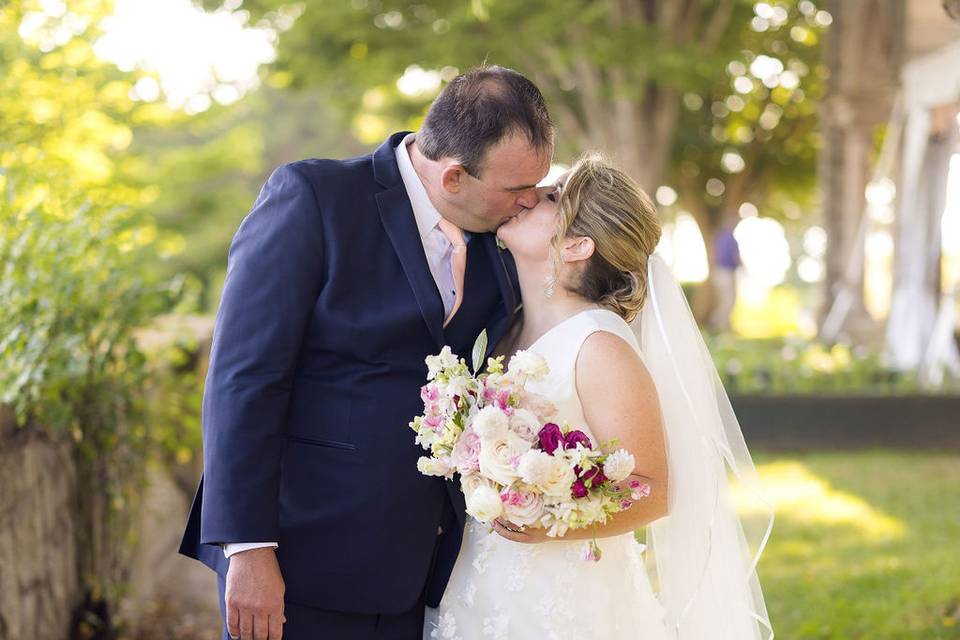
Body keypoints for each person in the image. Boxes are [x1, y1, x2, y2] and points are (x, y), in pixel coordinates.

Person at [178, 65, 555, 640]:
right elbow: (244, 377)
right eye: (516, 188)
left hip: (426, 571)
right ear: (453, 177)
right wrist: (248, 548)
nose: (531, 201)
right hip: (299, 558)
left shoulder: (505, 239)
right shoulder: (314, 199)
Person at [426, 154, 774, 639]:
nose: (526, 198)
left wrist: (547, 521)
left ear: (576, 245)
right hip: (483, 579)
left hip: (562, 599)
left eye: (549, 197)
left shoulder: (597, 344)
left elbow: (656, 488)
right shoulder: (506, 327)